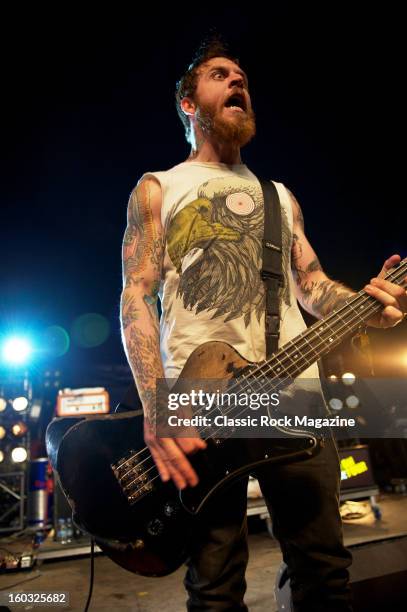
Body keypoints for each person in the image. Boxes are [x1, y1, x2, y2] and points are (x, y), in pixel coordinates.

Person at [120, 37, 407, 611]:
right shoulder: (159, 186)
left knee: (324, 571)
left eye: (243, 78)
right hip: (200, 403)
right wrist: (156, 410)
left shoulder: (280, 196)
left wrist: (367, 307)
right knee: (215, 584)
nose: (238, 83)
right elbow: (136, 296)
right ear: (188, 102)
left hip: (295, 398)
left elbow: (314, 286)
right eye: (221, 75)